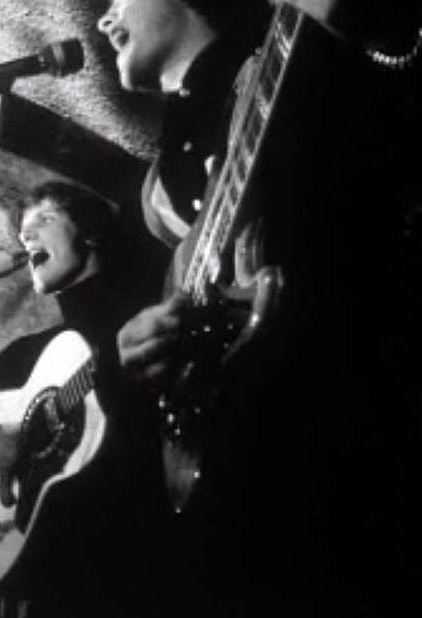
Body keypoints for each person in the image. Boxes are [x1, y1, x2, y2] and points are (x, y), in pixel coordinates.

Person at [96, 0, 421, 616]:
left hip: (355, 446)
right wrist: (129, 362)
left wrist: (362, 34)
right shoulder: (154, 192)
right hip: (237, 493)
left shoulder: (290, 53)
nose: (103, 20)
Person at [0, 180, 159, 617]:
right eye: (22, 232)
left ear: (90, 232)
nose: (26, 236)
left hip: (138, 562)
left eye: (44, 220)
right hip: (55, 584)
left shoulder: (146, 308)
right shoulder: (24, 357)